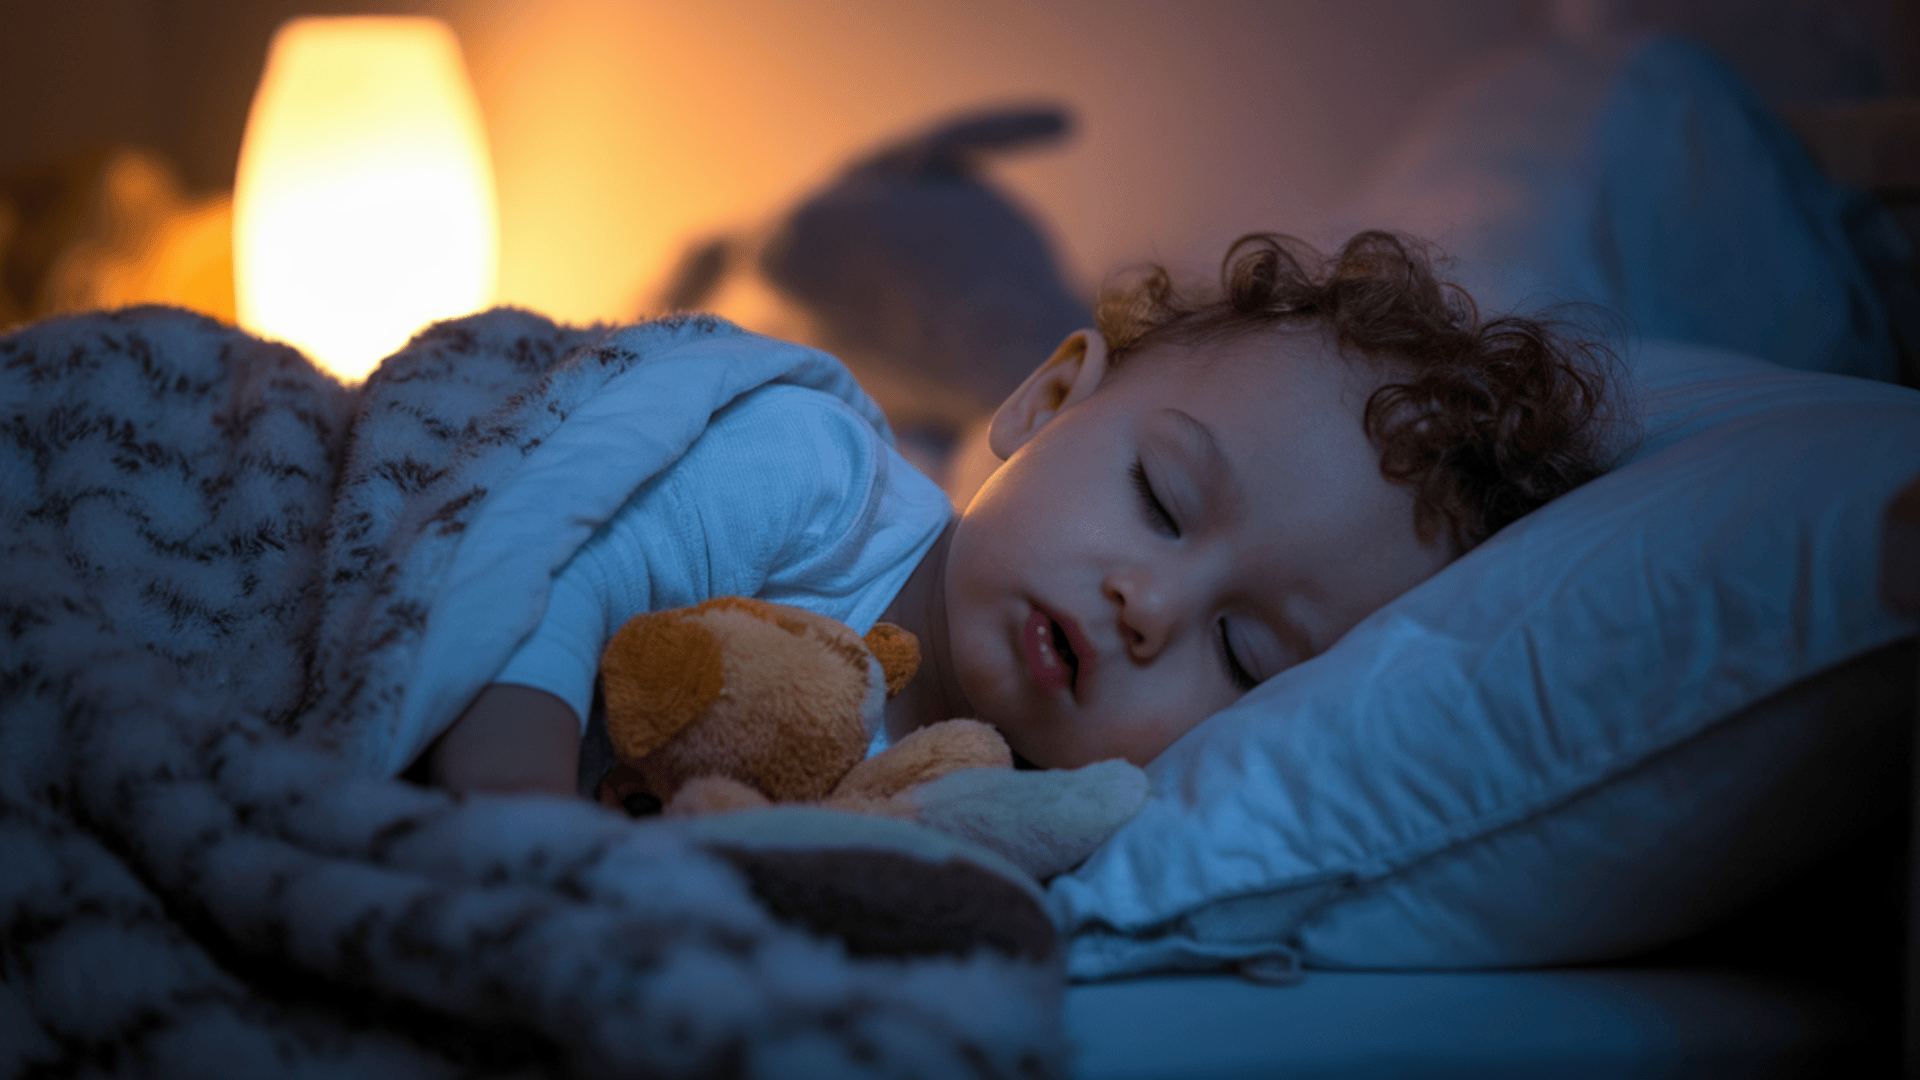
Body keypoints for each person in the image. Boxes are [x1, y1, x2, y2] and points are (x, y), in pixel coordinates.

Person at [421, 230, 1620, 795]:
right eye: (1159, 500)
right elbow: (552, 558)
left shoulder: (1020, 817)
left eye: (1243, 653)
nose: (1149, 604)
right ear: (1046, 404)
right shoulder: (814, 482)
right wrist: (520, 822)